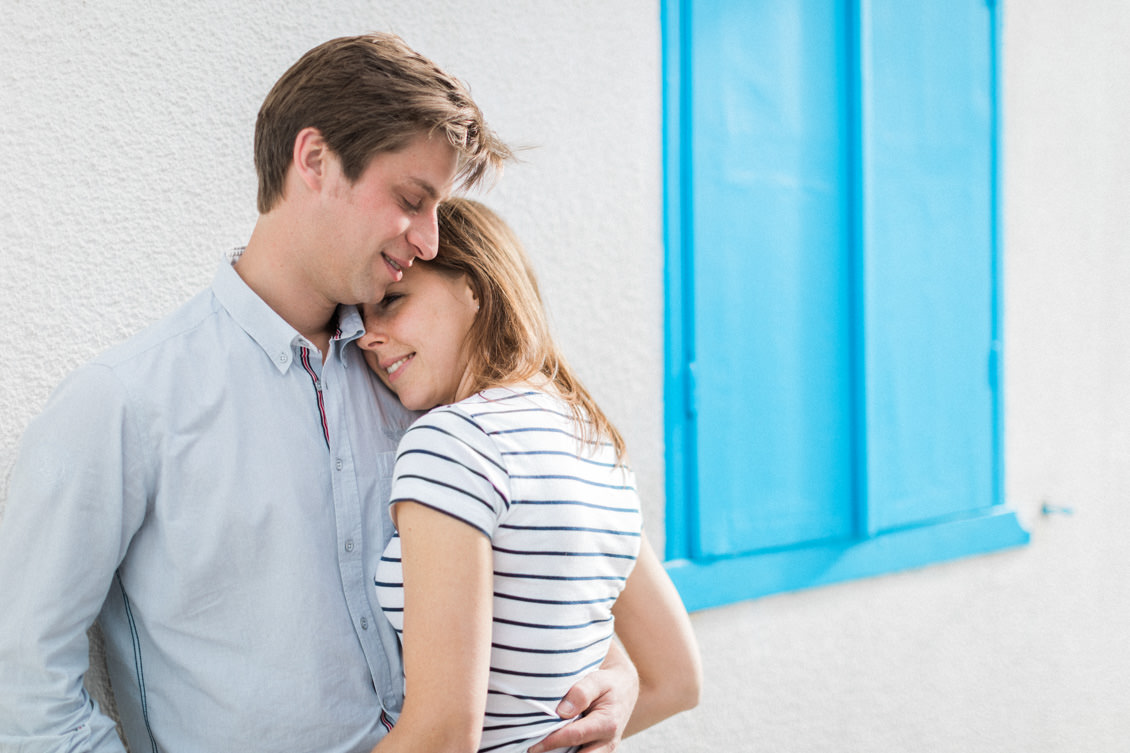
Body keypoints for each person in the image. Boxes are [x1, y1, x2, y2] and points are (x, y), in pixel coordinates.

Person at [0, 33, 654, 753]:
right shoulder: (122, 404)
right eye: (412, 199)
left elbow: (556, 578)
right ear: (313, 160)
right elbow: (25, 691)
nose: (432, 241)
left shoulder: (422, 387)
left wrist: (616, 680)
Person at [357, 198, 701, 753]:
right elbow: (675, 679)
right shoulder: (591, 440)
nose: (368, 338)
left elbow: (443, 736)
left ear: (473, 287)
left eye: (392, 302)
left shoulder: (452, 441)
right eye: (361, 318)